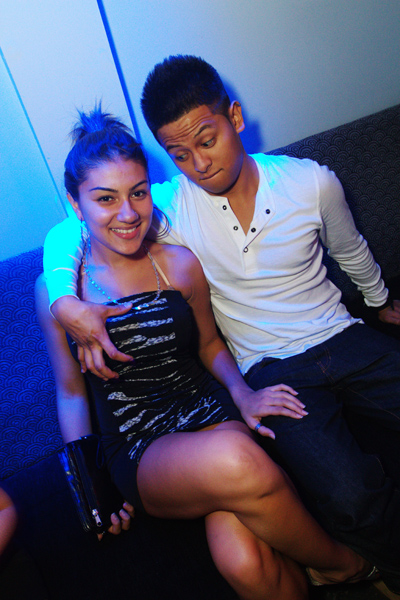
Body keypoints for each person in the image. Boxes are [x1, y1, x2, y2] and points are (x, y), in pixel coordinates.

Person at [42, 56, 400, 593]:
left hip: (286, 365)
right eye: (179, 155)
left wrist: (379, 300)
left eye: (206, 141)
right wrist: (62, 301)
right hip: (210, 401)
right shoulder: (152, 220)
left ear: (234, 118)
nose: (199, 165)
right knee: (300, 486)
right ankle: (352, 566)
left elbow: (347, 253)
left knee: (244, 562)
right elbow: (77, 232)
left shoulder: (299, 186)